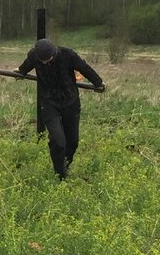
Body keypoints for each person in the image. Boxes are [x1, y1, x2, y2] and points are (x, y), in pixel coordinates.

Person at [18, 38, 105, 180]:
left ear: (54, 53)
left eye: (48, 59)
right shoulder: (34, 55)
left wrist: (98, 83)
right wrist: (20, 72)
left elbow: (84, 68)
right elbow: (26, 65)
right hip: (49, 103)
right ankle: (60, 175)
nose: (45, 62)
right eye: (42, 60)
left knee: (73, 141)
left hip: (70, 101)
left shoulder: (68, 55)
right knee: (58, 141)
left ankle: (66, 164)